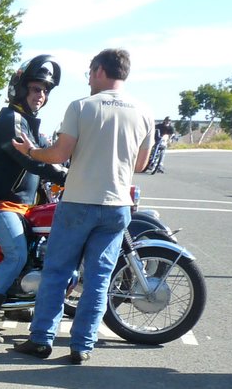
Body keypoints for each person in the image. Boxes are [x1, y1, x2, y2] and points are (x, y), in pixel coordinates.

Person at [10, 48, 154, 365]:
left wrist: (31, 152)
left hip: (78, 202)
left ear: (100, 70)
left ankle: (41, 339)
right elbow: (141, 164)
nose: (89, 79)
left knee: (57, 272)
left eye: (90, 72)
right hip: (117, 205)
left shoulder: (81, 107)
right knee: (99, 279)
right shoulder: (144, 112)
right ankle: (82, 345)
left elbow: (59, 154)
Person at [0, 55, 68, 344]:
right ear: (21, 89)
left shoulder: (29, 122)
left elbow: (49, 153)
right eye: (36, 89)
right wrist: (65, 177)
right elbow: (32, 161)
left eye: (45, 90)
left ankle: (20, 302)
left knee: (34, 251)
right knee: (17, 256)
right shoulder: (10, 121)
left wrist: (71, 166)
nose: (41, 95)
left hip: (17, 206)